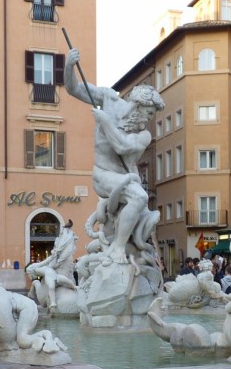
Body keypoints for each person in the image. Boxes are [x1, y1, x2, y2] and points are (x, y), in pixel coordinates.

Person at [65, 47, 164, 265]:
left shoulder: (144, 135)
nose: (149, 119)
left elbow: (122, 146)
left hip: (126, 176)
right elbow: (74, 89)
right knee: (139, 197)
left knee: (139, 201)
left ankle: (122, 246)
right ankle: (118, 248)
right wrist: (69, 66)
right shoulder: (109, 99)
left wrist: (105, 121)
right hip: (103, 174)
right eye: (149, 113)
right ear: (138, 105)